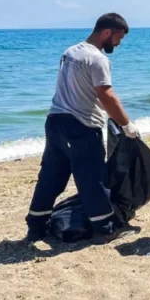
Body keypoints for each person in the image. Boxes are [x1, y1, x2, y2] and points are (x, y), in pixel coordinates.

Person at [25, 13, 139, 242]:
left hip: (55, 122)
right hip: (82, 125)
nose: (118, 43)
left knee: (51, 175)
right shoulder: (97, 59)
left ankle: (36, 227)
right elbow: (106, 95)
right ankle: (105, 229)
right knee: (92, 178)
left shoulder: (70, 52)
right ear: (107, 32)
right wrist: (127, 125)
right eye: (118, 38)